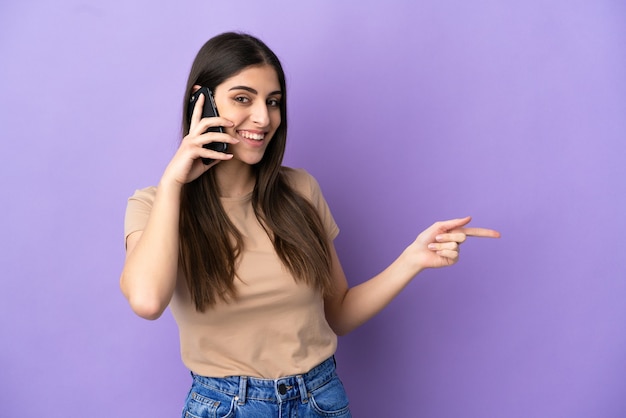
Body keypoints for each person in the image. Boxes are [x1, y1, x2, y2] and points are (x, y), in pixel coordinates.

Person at [120, 31, 500, 418]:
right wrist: (173, 183)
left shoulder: (300, 190)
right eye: (242, 98)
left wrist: (413, 259)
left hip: (320, 399)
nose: (263, 118)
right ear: (201, 100)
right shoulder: (154, 205)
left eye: (273, 102)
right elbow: (148, 302)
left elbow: (338, 313)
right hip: (227, 406)